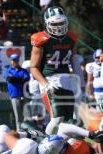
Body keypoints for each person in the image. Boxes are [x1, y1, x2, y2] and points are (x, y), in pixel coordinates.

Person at [30, 6, 78, 135]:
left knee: (69, 119)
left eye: (61, 22)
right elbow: (33, 68)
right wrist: (45, 84)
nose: (58, 26)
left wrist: (78, 79)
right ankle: (46, 142)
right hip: (50, 79)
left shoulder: (71, 38)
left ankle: (64, 146)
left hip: (67, 80)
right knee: (56, 119)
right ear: (47, 24)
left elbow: (73, 60)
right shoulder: (41, 40)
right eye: (55, 23)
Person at [5, 54, 30, 131]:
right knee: (18, 116)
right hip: (14, 95)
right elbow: (10, 79)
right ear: (11, 61)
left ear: (18, 61)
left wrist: (15, 79)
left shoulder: (24, 70)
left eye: (16, 60)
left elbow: (26, 79)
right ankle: (19, 131)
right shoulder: (8, 70)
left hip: (25, 95)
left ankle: (28, 131)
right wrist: (19, 79)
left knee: (27, 116)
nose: (15, 62)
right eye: (13, 60)